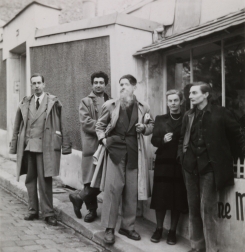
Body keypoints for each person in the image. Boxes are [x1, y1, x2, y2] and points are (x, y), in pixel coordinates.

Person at [178, 82, 245, 252]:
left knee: (207, 210)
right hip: (190, 168)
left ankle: (212, 249)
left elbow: (236, 135)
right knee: (193, 209)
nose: (190, 96)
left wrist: (239, 156)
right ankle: (197, 247)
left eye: (194, 93)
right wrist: (182, 156)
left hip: (210, 168)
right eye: (190, 93)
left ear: (206, 94)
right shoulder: (188, 115)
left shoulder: (221, 113)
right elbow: (182, 139)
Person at [96, 74, 154, 245]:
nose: (122, 87)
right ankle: (109, 228)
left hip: (134, 152)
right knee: (113, 189)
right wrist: (103, 139)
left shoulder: (144, 107)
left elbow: (151, 126)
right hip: (115, 152)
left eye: (126, 84)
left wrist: (144, 128)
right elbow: (99, 125)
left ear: (134, 87)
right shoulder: (111, 105)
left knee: (131, 191)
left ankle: (127, 227)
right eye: (120, 84)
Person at [9, 73, 72, 226]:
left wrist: (65, 145)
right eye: (34, 83)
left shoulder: (53, 102)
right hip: (28, 147)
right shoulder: (24, 103)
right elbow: (17, 125)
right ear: (31, 85)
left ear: (44, 84)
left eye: (39, 83)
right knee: (30, 180)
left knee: (45, 181)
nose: (36, 86)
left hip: (46, 147)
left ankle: (48, 213)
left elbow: (63, 123)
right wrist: (14, 145)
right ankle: (32, 210)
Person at [69, 71, 110, 222]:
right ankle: (92, 211)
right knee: (90, 180)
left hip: (106, 146)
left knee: (102, 179)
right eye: (96, 82)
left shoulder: (111, 101)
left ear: (106, 84)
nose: (98, 85)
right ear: (92, 84)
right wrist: (105, 128)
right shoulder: (85, 101)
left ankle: (77, 197)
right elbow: (86, 123)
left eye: (101, 82)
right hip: (92, 145)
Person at [150, 89, 188, 245]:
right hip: (163, 163)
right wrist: (163, 140)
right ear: (167, 103)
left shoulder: (187, 118)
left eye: (175, 100)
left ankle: (172, 232)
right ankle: (159, 229)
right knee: (161, 197)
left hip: (179, 163)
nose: (173, 103)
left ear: (181, 102)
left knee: (177, 198)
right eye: (170, 101)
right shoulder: (160, 119)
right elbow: (153, 140)